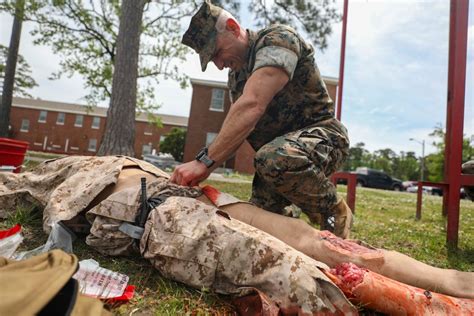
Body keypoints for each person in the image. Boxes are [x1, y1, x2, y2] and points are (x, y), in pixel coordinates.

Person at [1, 156, 473, 314]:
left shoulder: (72, 169)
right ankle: (442, 300)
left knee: (320, 250)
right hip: (169, 208)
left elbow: (21, 188)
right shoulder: (63, 172)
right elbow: (19, 188)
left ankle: (456, 286)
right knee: (303, 267)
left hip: (187, 202)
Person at [172, 0, 352, 238]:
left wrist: (202, 162)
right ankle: (292, 230)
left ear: (234, 28)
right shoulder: (236, 79)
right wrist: (206, 166)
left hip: (323, 139)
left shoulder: (278, 40)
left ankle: (333, 212)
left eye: (216, 53)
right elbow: (238, 128)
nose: (218, 65)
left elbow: (252, 105)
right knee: (258, 228)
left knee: (271, 158)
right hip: (277, 160)